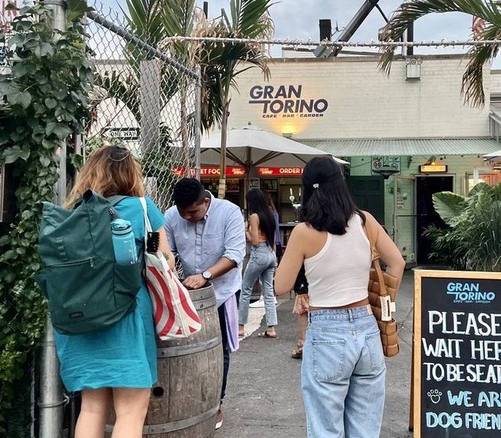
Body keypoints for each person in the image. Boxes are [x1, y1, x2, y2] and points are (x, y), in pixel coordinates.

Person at [274, 157, 405, 438]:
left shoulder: (304, 232)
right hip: (367, 328)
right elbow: (397, 263)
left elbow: (280, 285)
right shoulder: (365, 221)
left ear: (308, 189)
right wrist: (383, 303)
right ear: (341, 184)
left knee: (325, 429)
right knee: (365, 428)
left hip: (326, 331)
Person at [54, 144, 171, 437]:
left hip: (81, 319)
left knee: (92, 408)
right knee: (131, 411)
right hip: (126, 317)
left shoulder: (74, 212)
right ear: (130, 174)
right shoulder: (141, 207)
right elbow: (166, 260)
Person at [164, 178, 245, 430]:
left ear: (206, 202)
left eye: (193, 212)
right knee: (183, 348)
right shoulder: (170, 216)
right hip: (188, 294)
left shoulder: (229, 212)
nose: (187, 217)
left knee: (218, 352)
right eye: (183, 212)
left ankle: (215, 403)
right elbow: (168, 253)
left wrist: (205, 276)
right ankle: (186, 402)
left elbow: (234, 255)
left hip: (222, 292)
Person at [239, 188, 279, 338]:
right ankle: (271, 328)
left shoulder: (254, 216)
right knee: (268, 292)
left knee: (245, 289)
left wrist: (246, 231)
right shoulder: (269, 214)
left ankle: (240, 327)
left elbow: (254, 241)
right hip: (270, 254)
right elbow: (273, 239)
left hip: (259, 254)